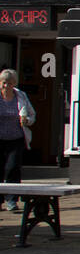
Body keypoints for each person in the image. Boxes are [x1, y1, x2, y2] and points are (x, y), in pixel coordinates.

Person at [0, 69, 36, 211]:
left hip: (16, 138)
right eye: (4, 83)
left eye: (9, 83)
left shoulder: (21, 96)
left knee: (12, 167)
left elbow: (32, 115)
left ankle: (11, 200)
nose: (6, 86)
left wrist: (26, 120)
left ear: (14, 83)